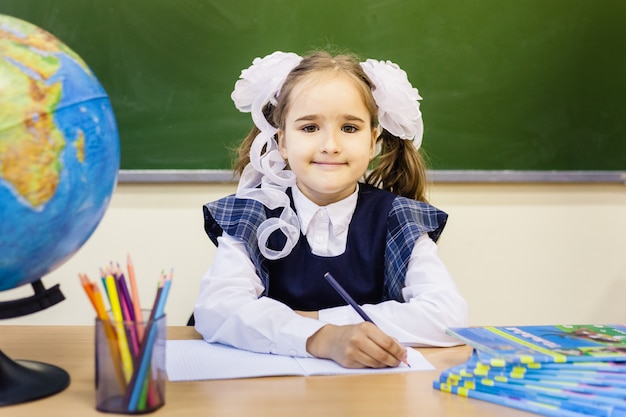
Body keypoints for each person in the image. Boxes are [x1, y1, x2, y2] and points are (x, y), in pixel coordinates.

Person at [194, 50, 468, 369]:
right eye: (310, 128)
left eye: (349, 128)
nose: (331, 145)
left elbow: (447, 316)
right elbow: (217, 309)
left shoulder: (399, 219)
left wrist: (315, 319)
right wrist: (323, 338)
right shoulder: (253, 215)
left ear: (372, 141)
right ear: (282, 141)